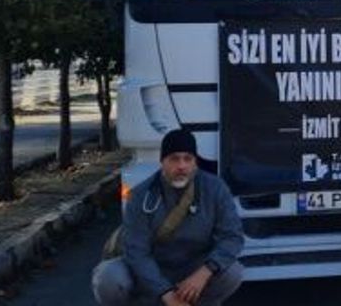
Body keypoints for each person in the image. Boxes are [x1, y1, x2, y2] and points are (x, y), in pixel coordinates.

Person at [92, 128, 244, 306]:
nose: (181, 166)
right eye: (174, 159)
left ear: (195, 162)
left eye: (188, 159)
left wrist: (204, 272)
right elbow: (137, 252)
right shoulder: (141, 195)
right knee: (108, 277)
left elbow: (232, 237)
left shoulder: (215, 189)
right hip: (152, 269)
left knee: (233, 272)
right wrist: (166, 293)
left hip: (193, 268)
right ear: (162, 161)